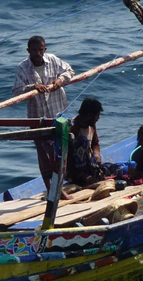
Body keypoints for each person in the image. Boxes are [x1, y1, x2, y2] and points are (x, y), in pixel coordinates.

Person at [12, 36, 75, 196]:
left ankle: (60, 186)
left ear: (45, 49)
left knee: (60, 152)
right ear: (28, 51)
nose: (38, 53)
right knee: (43, 156)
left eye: (41, 50)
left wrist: (60, 80)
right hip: (37, 116)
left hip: (58, 114)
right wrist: (33, 87)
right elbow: (17, 91)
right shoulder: (23, 67)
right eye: (34, 50)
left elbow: (70, 71)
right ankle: (51, 189)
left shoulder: (53, 60)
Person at [67, 98, 122, 186]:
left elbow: (95, 144)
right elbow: (68, 158)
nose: (98, 118)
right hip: (76, 171)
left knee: (118, 169)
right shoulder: (73, 129)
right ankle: (83, 179)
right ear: (89, 115)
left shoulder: (92, 126)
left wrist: (96, 154)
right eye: (97, 116)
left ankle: (95, 176)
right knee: (82, 141)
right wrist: (82, 175)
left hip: (92, 167)